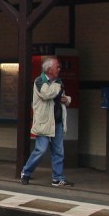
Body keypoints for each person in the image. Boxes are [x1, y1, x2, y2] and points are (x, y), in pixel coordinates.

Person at [20, 56, 74, 187]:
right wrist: (58, 86)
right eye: (57, 67)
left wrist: (67, 99)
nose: (59, 69)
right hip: (44, 123)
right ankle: (26, 172)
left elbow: (62, 97)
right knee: (41, 150)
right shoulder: (40, 81)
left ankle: (58, 178)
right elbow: (47, 94)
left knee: (58, 151)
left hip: (57, 122)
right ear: (49, 69)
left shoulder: (58, 82)